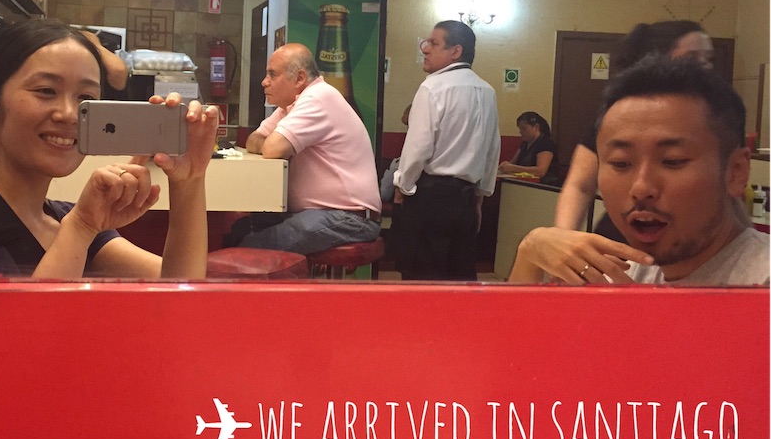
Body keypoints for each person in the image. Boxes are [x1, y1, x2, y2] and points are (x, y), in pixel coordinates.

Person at [0, 18, 219, 279]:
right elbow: (10, 341)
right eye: (46, 91)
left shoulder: (64, 218)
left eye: (85, 99)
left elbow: (177, 291)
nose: (69, 114)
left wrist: (190, 179)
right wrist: (80, 228)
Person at [510, 56, 769, 285]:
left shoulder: (761, 280)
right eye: (621, 163)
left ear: (736, 172)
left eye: (672, 161)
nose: (641, 188)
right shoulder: (626, 274)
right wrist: (530, 251)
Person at [555, 20, 714, 233]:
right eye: (692, 58)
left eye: (708, 58)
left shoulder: (716, 116)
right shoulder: (617, 117)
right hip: (623, 237)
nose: (705, 66)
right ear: (657, 60)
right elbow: (580, 186)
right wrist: (563, 237)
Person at [226, 43, 381, 253]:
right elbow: (253, 139)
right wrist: (271, 142)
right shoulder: (292, 104)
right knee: (239, 231)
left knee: (252, 247)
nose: (264, 82)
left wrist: (273, 143)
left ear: (299, 78)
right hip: (320, 212)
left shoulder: (318, 98)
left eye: (272, 74)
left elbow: (272, 149)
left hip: (349, 217)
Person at [391, 20, 500, 280]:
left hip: (430, 199)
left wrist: (402, 187)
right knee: (460, 280)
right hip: (466, 200)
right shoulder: (487, 91)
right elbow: (491, 148)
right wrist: (480, 197)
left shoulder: (432, 87)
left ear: (456, 51)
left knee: (423, 280)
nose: (425, 49)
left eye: (434, 43)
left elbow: (418, 147)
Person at [498, 111, 561, 185]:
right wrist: (505, 166)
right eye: (520, 129)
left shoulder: (546, 144)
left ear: (536, 127)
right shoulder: (525, 143)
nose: (520, 132)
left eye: (524, 128)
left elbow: (541, 171)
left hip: (543, 184)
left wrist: (514, 168)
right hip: (524, 182)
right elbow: (512, 162)